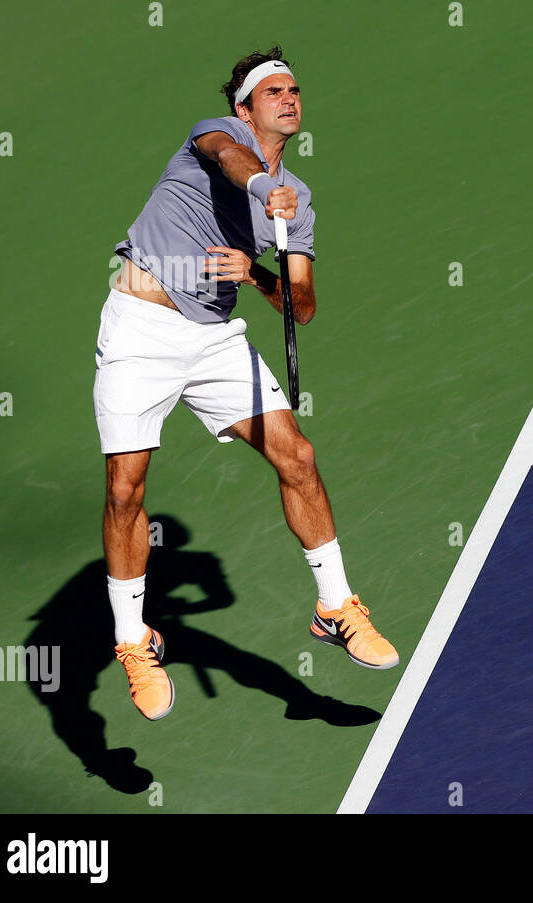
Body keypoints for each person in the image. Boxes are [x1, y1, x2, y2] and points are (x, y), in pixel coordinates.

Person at [95, 46, 398, 721]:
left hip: (213, 339)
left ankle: (335, 606)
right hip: (140, 324)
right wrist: (262, 189)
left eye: (296, 91)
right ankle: (132, 640)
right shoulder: (215, 137)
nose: (290, 99)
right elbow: (232, 162)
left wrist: (252, 272)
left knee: (299, 457)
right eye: (274, 92)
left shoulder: (302, 204)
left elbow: (303, 304)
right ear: (245, 107)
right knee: (124, 487)